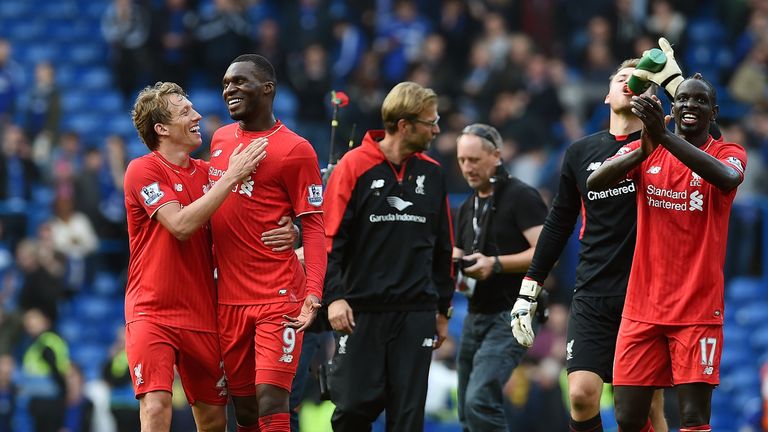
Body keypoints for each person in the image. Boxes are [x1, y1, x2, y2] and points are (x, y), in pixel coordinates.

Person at [509, 57, 670, 432]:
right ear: (606, 94)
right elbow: (558, 223)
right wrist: (529, 288)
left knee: (647, 410)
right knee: (580, 395)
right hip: (594, 289)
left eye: (641, 81)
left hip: (647, 293)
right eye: (622, 78)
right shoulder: (580, 152)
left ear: (651, 97)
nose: (630, 83)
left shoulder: (664, 148)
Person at [586, 74, 746, 432]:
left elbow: (727, 179)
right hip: (643, 307)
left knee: (692, 417)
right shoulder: (648, 147)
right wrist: (647, 147)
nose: (691, 105)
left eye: (701, 101)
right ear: (672, 109)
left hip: (697, 308)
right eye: (684, 99)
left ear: (714, 113)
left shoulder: (728, 153)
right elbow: (594, 183)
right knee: (627, 417)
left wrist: (664, 139)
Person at [124, 81, 270, 432]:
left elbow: (246, 229)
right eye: (185, 111)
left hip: (204, 314)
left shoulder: (209, 176)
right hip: (152, 311)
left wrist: (292, 234)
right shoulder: (144, 170)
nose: (198, 115)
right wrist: (232, 176)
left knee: (213, 419)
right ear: (161, 128)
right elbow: (179, 224)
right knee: (157, 406)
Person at [323, 81, 454, 431]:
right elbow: (330, 239)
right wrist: (334, 298)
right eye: (431, 121)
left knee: (407, 419)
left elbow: (443, 247)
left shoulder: (434, 173)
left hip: (416, 312)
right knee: (351, 409)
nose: (437, 129)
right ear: (404, 125)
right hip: (360, 310)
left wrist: (443, 310)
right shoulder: (353, 167)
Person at [207, 54, 326, 432]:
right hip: (228, 299)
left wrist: (313, 293)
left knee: (272, 398)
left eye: (239, 82)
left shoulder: (296, 149)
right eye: (226, 83)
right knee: (243, 410)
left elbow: (315, 226)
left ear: (268, 88)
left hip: (279, 296)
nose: (229, 90)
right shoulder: (220, 139)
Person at [452, 123, 547, 431]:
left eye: (474, 160)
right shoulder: (468, 205)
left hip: (513, 312)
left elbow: (547, 253)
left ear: (496, 156)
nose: (467, 168)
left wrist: (495, 264)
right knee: (467, 411)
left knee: (479, 401)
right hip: (476, 314)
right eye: (462, 160)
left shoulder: (520, 195)